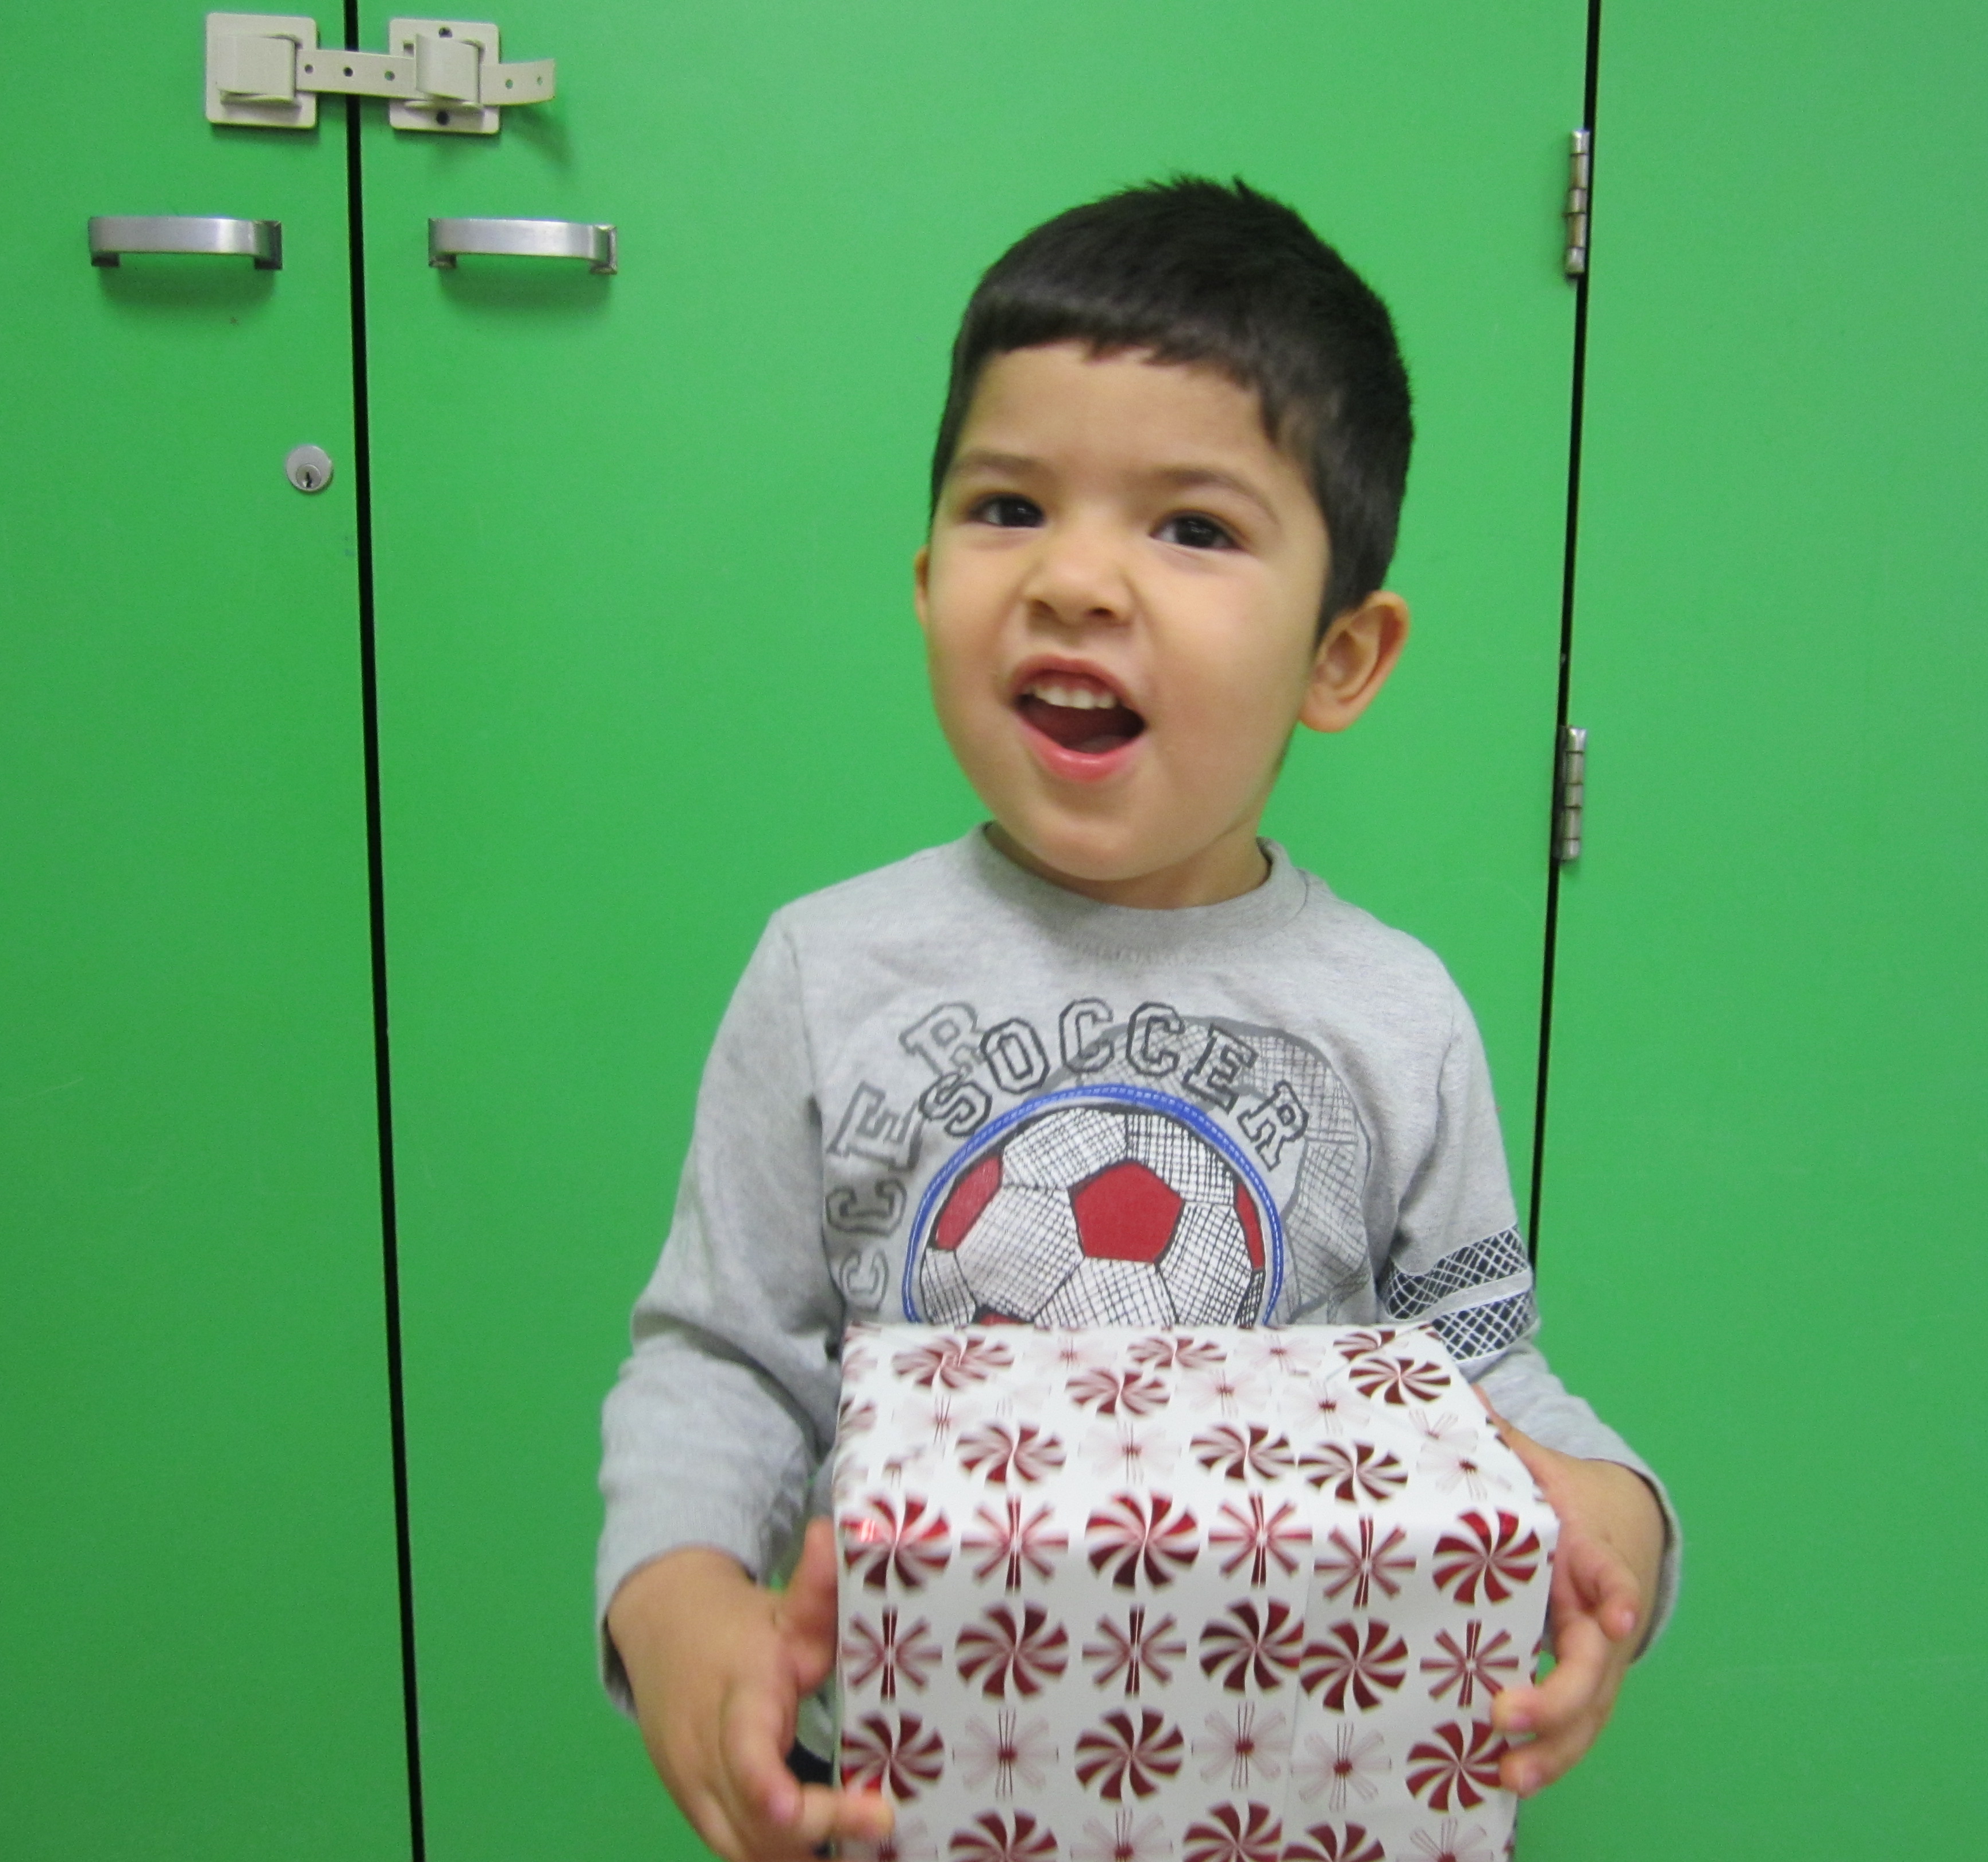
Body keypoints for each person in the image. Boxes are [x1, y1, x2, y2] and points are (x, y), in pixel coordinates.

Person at [596, 178, 1678, 1862]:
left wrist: (1613, 1528)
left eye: (1193, 528)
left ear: (1342, 657)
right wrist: (674, 1602)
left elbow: (1481, 1372)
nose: (1078, 579)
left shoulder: (1394, 1014)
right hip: (930, 1790)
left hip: (1303, 1782)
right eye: (1010, 505)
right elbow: (726, 1358)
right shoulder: (828, 973)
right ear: (926, 579)